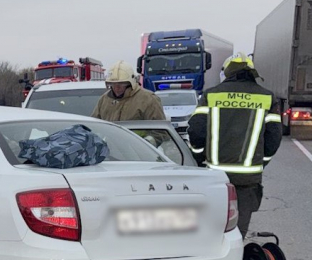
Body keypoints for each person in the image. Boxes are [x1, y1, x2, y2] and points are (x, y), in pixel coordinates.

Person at [188, 53, 282, 237]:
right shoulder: (267, 97)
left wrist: (199, 158)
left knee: (212, 229)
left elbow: (196, 131)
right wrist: (259, 163)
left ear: (227, 73)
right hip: (248, 179)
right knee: (238, 232)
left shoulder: (212, 95)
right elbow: (274, 138)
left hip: (215, 175)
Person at [91, 61, 166, 122]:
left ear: (131, 83)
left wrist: (148, 140)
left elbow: (160, 131)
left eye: (121, 83)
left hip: (137, 141)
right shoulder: (104, 100)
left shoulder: (149, 100)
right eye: (113, 84)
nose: (117, 88)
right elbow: (94, 126)